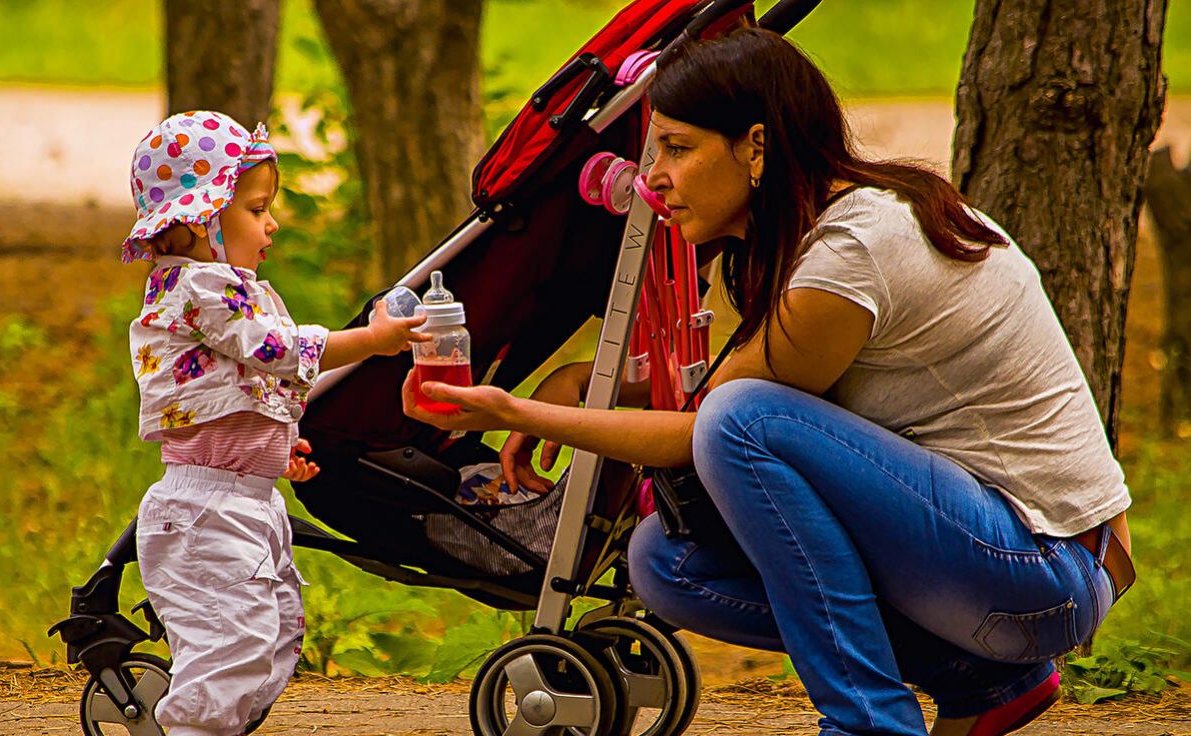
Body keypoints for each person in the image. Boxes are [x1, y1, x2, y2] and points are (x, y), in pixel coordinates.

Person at [401, 28, 1134, 736]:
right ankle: (984, 685)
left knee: (740, 422)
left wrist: (510, 409)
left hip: (1040, 571)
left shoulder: (855, 251)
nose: (653, 175)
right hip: (997, 564)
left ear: (755, 146)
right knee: (663, 563)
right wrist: (582, 383)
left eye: (677, 149)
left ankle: (865, 724)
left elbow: (712, 424)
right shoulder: (829, 230)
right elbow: (729, 390)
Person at [125, 110, 426, 736]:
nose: (273, 224)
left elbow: (237, 391)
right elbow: (275, 351)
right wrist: (369, 341)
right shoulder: (196, 287)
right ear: (200, 220)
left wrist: (274, 447)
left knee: (271, 632)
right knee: (231, 644)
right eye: (258, 210)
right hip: (204, 509)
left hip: (244, 498)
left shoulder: (224, 289)